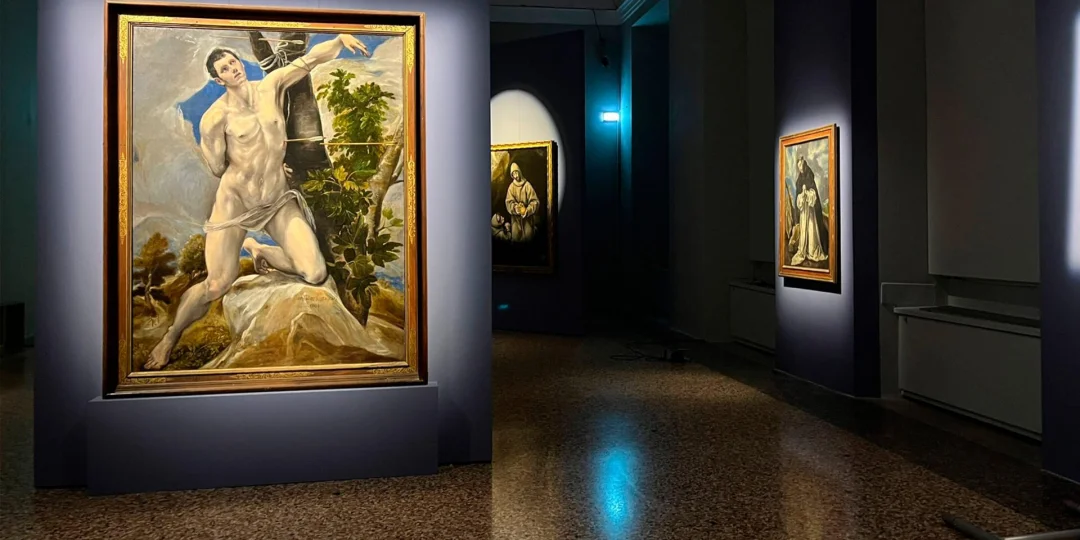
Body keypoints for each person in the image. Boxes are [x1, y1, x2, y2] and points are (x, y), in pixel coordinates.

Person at [144, 34, 369, 370]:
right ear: (218, 79)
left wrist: (338, 39)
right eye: (224, 68)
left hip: (277, 199)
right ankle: (170, 337)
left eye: (233, 62)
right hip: (236, 203)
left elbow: (308, 61)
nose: (233, 69)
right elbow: (217, 167)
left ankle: (260, 249)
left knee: (315, 271)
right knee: (217, 283)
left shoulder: (271, 87)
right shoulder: (214, 118)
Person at [790, 155, 829, 266]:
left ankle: (812, 250)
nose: (800, 169)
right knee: (804, 230)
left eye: (801, 167)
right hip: (803, 212)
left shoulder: (809, 177)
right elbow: (798, 199)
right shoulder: (799, 181)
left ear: (804, 166)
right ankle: (804, 250)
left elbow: (814, 195)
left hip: (811, 212)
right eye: (799, 167)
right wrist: (802, 195)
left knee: (811, 230)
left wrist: (807, 193)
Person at [504, 163, 539, 242]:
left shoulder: (527, 185)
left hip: (527, 218)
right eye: (513, 174)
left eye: (516, 173)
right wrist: (515, 208)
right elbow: (508, 202)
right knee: (515, 236)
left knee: (529, 235)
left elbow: (535, 202)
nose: (516, 176)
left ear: (519, 172)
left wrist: (527, 210)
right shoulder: (511, 187)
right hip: (516, 219)